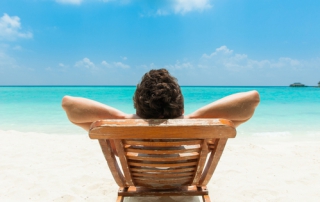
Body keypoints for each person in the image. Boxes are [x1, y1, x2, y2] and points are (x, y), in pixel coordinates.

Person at [62, 69, 260, 132]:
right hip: (183, 182)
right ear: (180, 103)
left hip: (142, 182)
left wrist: (123, 117)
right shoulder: (197, 130)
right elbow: (252, 98)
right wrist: (193, 117)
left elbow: (68, 103)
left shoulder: (123, 130)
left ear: (138, 105)